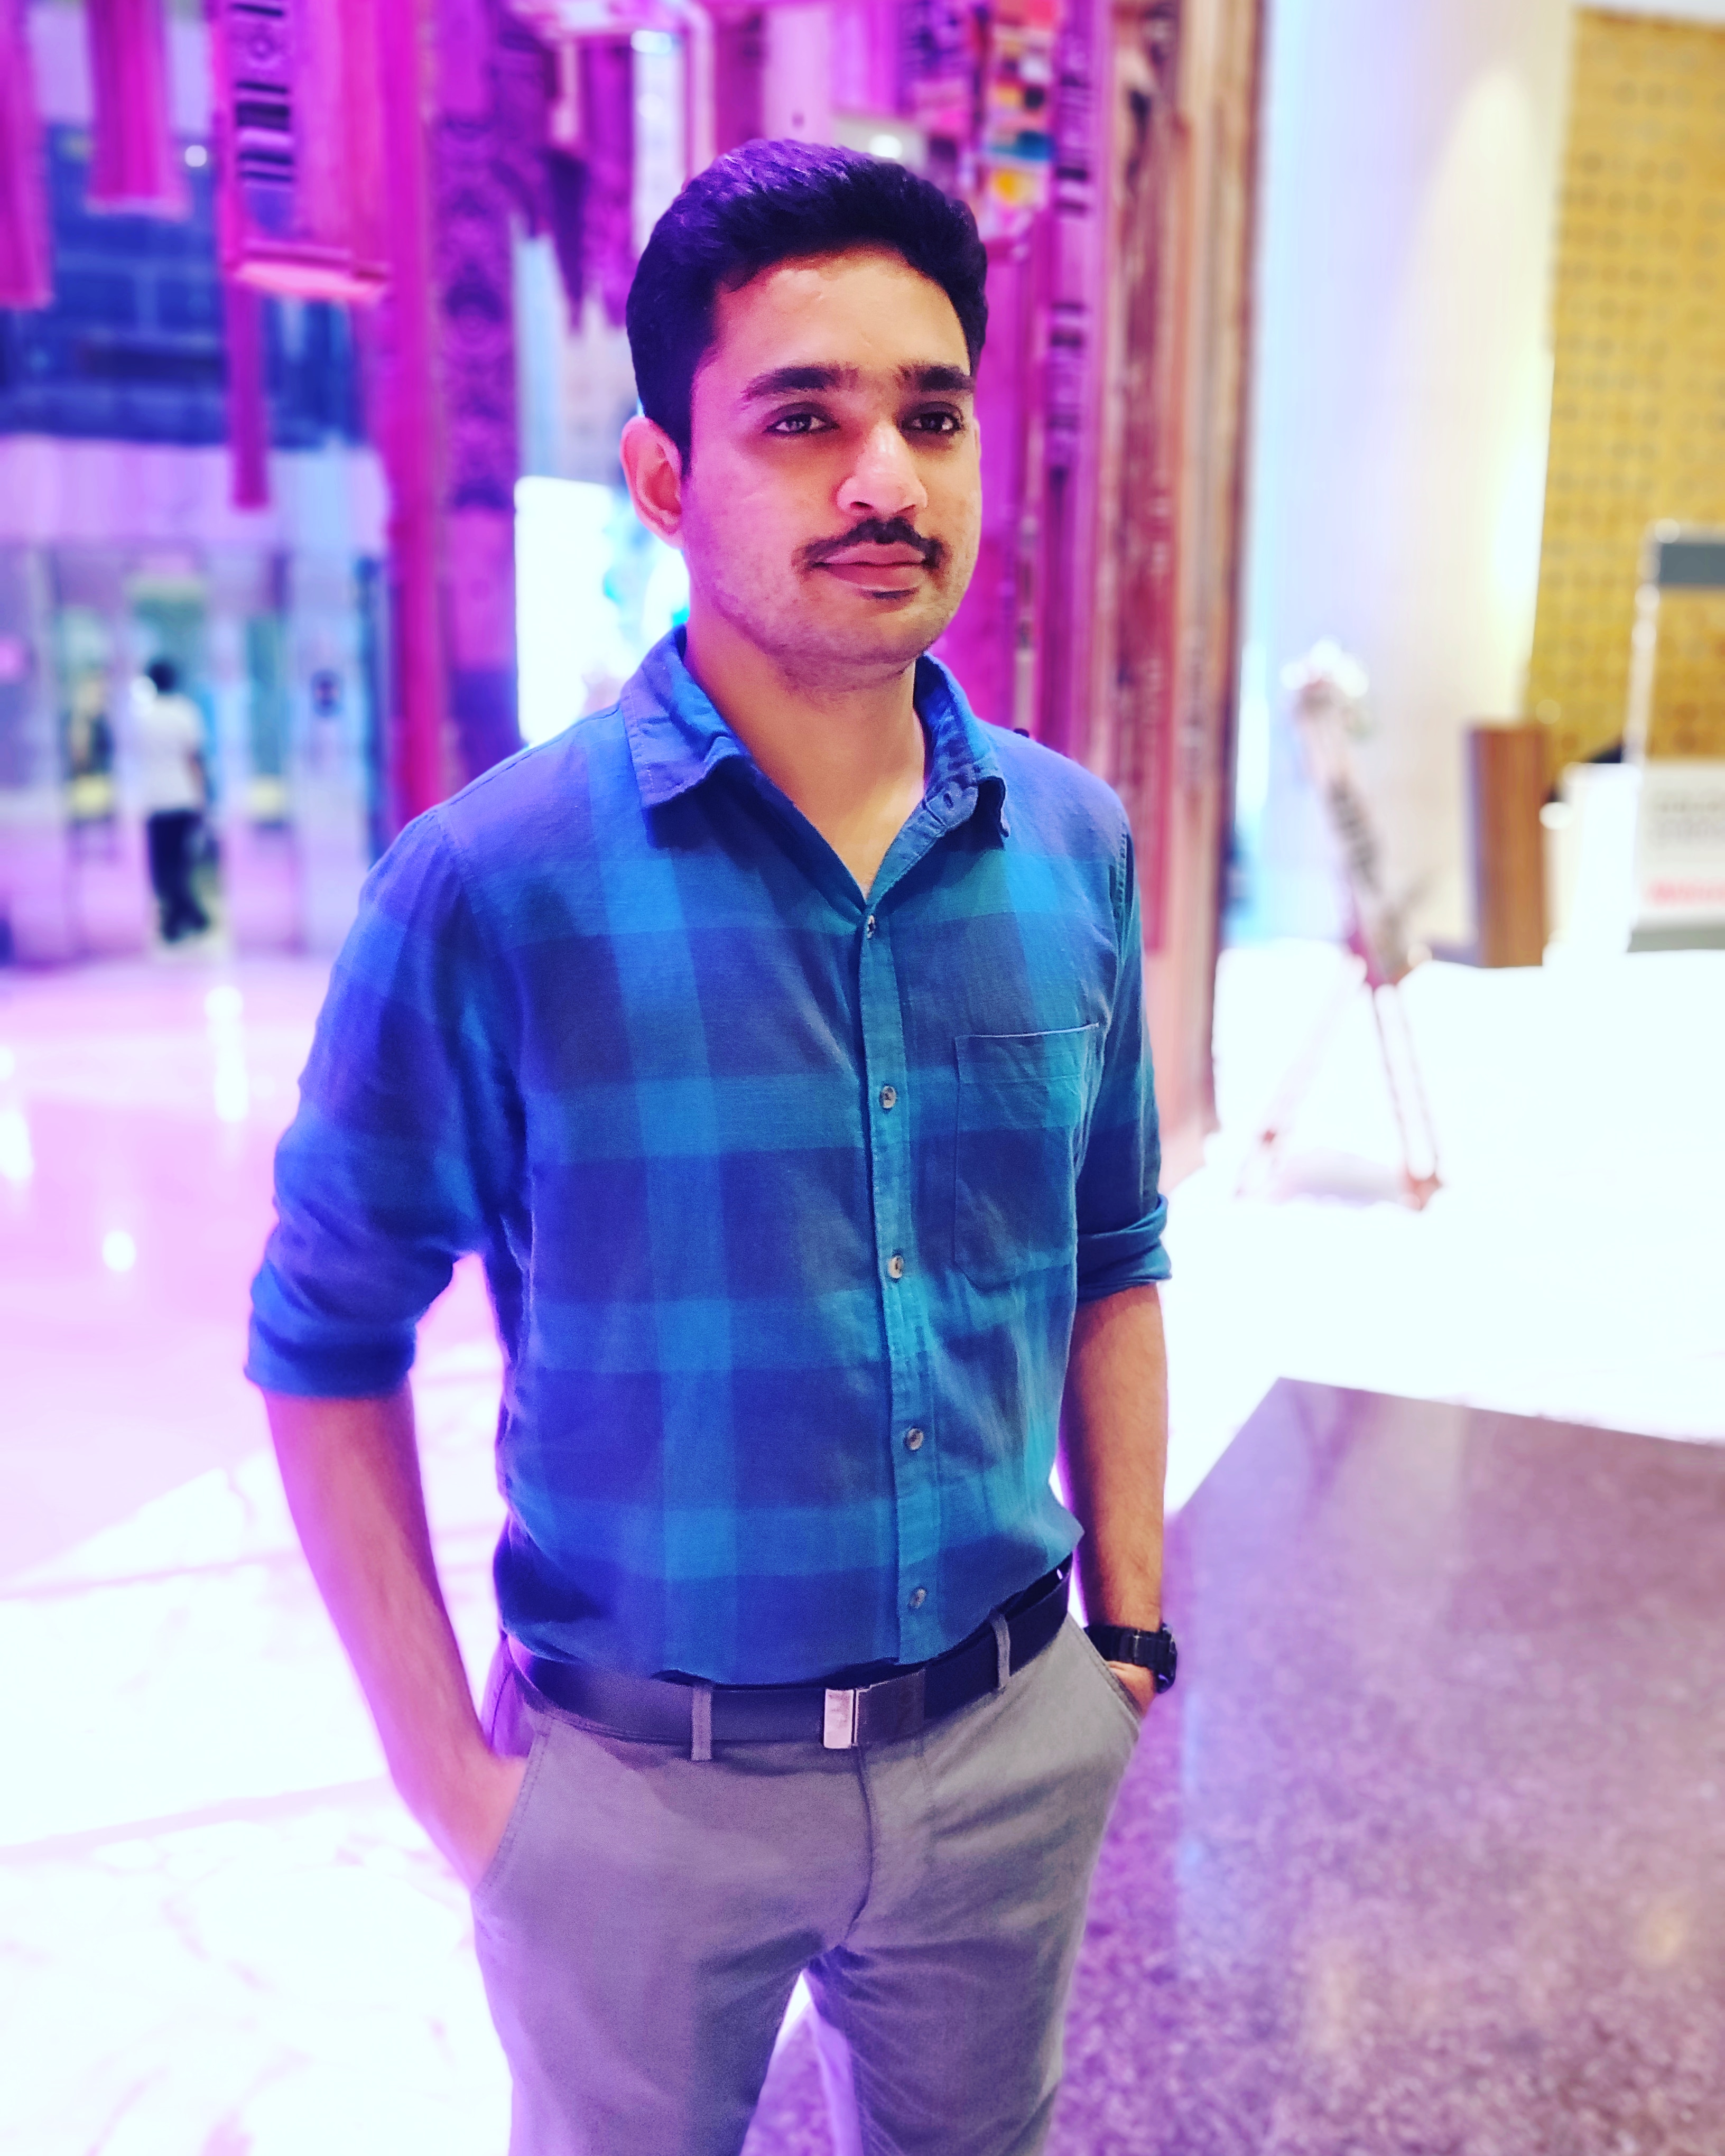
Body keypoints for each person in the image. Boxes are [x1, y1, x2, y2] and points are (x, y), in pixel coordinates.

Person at [250, 140, 1175, 2156]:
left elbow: (1117, 1247)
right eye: (802, 419)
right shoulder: (490, 886)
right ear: (666, 478)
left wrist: (1122, 1634)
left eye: (931, 414)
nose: (885, 479)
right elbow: (323, 1340)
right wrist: (456, 1787)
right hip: (635, 1791)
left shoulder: (1071, 845)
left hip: (1006, 1742)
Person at [134, 657, 211, 942]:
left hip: (155, 799)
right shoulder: (185, 712)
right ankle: (192, 917)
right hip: (184, 796)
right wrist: (203, 798)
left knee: (163, 865)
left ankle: (181, 920)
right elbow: (194, 758)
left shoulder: (144, 717)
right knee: (181, 863)